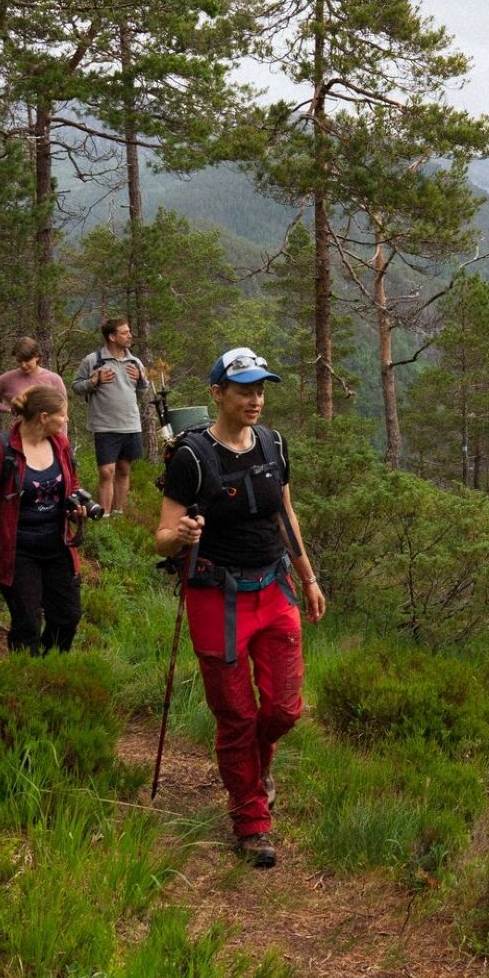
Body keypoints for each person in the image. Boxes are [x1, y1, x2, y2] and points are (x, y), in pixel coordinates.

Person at [157, 346, 324, 868]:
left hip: (275, 589)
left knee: (282, 709)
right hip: (216, 596)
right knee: (235, 715)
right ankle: (251, 822)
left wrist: (309, 577)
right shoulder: (189, 456)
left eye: (260, 389)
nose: (255, 399)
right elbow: (161, 536)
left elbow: (286, 514)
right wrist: (179, 535)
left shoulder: (274, 444)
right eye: (243, 390)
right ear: (217, 395)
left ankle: (258, 765)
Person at [0, 385, 86, 655]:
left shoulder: (60, 444)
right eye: (63, 414)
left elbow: (73, 482)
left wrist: (77, 506)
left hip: (57, 546)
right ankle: (27, 678)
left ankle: (51, 667)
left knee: (67, 616)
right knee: (27, 623)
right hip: (16, 552)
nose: (66, 420)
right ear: (44, 416)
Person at [72, 317, 151, 516]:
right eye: (125, 332)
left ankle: (119, 514)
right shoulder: (93, 360)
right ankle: (104, 517)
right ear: (112, 337)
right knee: (107, 471)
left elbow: (142, 392)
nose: (130, 335)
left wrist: (142, 379)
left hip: (131, 425)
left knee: (124, 469)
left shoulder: (135, 362)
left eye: (129, 331)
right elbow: (76, 386)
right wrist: (93, 381)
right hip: (105, 426)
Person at [0, 337, 68, 437]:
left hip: (49, 438)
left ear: (37, 357)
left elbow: (63, 415)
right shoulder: (9, 378)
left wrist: (63, 443)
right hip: (19, 438)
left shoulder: (54, 380)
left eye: (27, 360)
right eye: (19, 361)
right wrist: (8, 409)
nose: (23, 365)